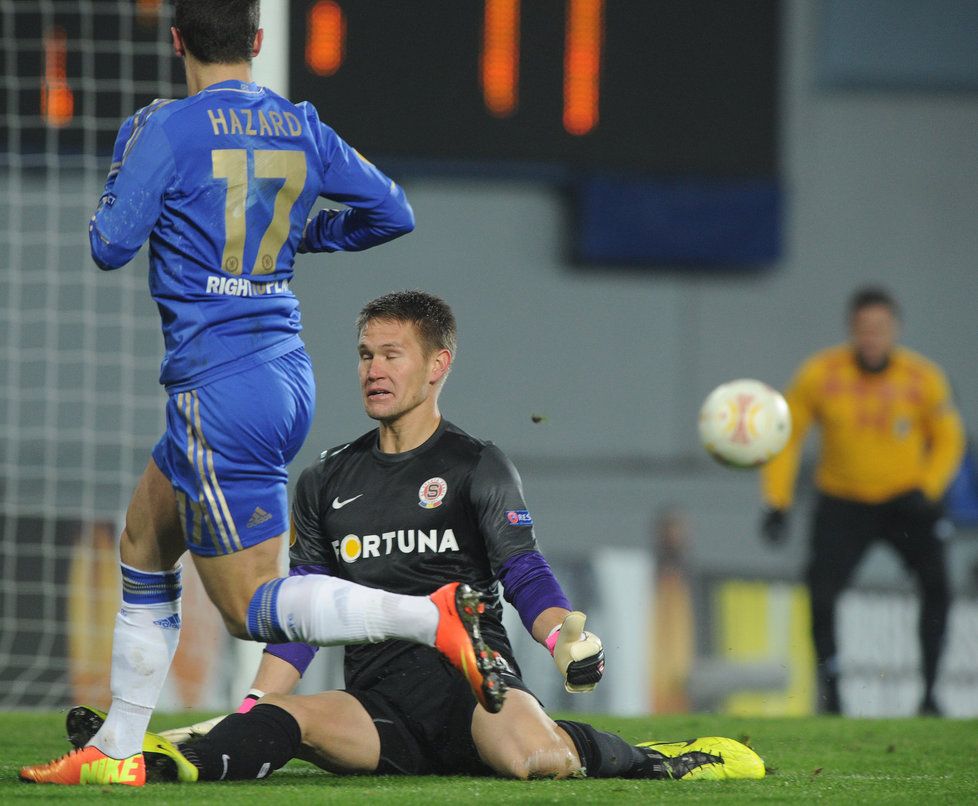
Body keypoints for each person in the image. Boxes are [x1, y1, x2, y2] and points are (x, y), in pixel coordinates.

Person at [21, 2, 503, 787]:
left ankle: (433, 616)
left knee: (248, 611)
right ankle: (113, 750)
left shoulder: (167, 130)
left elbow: (109, 245)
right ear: (259, 41)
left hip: (218, 386)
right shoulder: (300, 125)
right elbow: (392, 211)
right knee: (145, 540)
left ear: (176, 40)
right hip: (280, 369)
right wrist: (305, 234)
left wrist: (128, 153)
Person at [63, 290, 766, 784]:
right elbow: (302, 609)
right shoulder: (324, 480)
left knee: (533, 761)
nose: (373, 369)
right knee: (283, 721)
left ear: (438, 366)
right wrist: (255, 704)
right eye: (366, 354)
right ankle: (166, 764)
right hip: (375, 705)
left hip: (473, 688)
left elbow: (522, 572)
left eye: (392, 355)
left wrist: (565, 639)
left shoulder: (475, 465)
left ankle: (660, 756)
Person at [759, 286, 965, 715]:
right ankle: (831, 692)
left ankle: (930, 694)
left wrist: (929, 487)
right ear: (852, 331)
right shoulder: (821, 374)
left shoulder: (922, 378)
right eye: (863, 329)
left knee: (937, 586)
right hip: (842, 502)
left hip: (906, 500)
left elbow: (949, 437)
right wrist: (777, 501)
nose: (872, 337)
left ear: (895, 330)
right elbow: (785, 435)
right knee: (821, 592)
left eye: (880, 328)